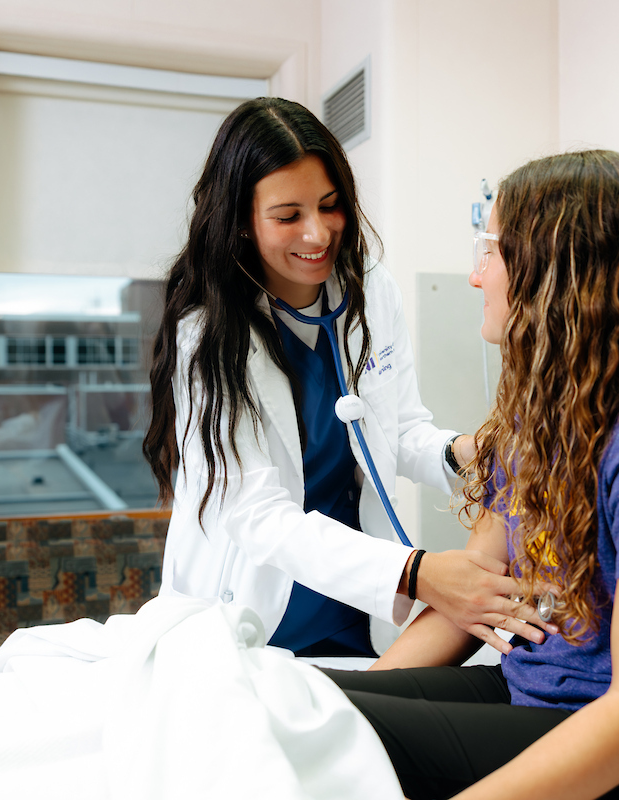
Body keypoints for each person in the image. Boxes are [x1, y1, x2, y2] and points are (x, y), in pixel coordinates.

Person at [324, 150, 619, 799]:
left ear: (555, 269)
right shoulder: (545, 417)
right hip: (538, 699)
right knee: (282, 702)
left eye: (488, 251)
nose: (473, 276)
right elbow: (478, 601)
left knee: (302, 731)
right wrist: (325, 712)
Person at [143, 97, 553, 657]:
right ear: (240, 221)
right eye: (288, 216)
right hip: (252, 608)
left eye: (330, 206)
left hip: (353, 604)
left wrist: (469, 452)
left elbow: (399, 430)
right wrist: (417, 573)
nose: (317, 235)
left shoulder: (368, 290)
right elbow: (256, 515)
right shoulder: (209, 335)